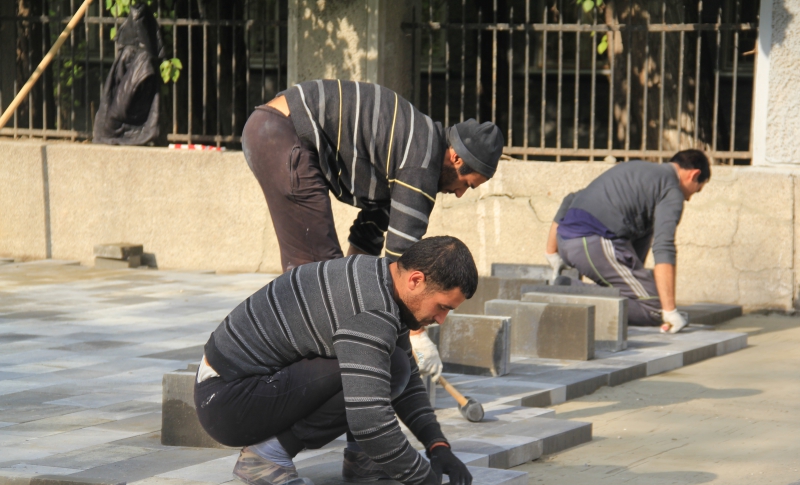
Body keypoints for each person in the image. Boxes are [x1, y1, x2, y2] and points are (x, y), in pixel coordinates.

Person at [194, 236, 477, 485]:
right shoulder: (371, 310)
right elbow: (369, 421)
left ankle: (364, 463)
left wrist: (438, 447)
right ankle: (265, 458)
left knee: (392, 365)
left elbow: (408, 381)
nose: (442, 319)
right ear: (416, 280)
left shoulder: (383, 279)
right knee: (380, 370)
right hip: (227, 401)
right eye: (443, 307)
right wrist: (423, 481)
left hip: (241, 387)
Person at [241, 79, 504, 383]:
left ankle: (322, 380)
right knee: (317, 280)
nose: (460, 194)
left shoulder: (412, 149)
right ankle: (295, 386)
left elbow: (367, 240)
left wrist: (356, 299)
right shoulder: (421, 163)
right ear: (456, 158)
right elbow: (403, 268)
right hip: (282, 133)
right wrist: (416, 337)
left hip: (275, 129)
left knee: (331, 283)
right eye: (467, 184)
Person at [545, 150, 711, 332]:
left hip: (568, 240)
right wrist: (669, 310)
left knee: (647, 278)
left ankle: (567, 289)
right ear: (694, 174)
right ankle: (566, 292)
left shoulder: (636, 169)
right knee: (655, 308)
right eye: (697, 189)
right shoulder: (672, 189)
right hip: (593, 241)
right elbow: (664, 246)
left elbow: (570, 199)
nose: (689, 198)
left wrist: (552, 251)